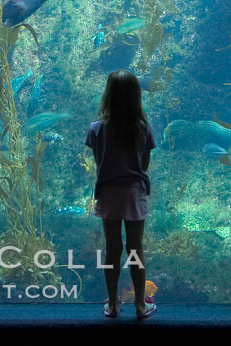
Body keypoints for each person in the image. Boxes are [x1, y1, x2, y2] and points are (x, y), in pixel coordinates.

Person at [85, 70, 157, 319]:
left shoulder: (97, 129)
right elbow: (144, 164)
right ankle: (139, 304)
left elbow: (99, 161)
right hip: (134, 193)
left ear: (108, 95)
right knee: (135, 249)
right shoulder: (142, 128)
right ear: (136, 96)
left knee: (112, 249)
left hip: (108, 192)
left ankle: (113, 304)